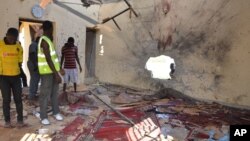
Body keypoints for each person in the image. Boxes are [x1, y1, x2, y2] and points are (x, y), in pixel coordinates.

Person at [38, 20, 63, 125]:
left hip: (53, 71)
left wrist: (59, 68)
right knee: (45, 95)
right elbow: (48, 59)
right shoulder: (44, 41)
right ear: (49, 29)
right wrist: (56, 74)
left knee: (54, 93)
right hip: (47, 73)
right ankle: (43, 116)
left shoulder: (49, 40)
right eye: (52, 28)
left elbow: (54, 58)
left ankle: (55, 112)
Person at [0, 28, 24, 128]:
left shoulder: (18, 47)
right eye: (10, 37)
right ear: (6, 35)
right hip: (3, 77)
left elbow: (20, 61)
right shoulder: (0, 45)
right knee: (6, 100)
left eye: (14, 38)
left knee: (18, 99)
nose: (12, 39)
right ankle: (7, 121)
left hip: (16, 77)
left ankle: (20, 120)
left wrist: (21, 74)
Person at [27, 36, 40, 100]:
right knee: (34, 79)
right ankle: (32, 95)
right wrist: (35, 65)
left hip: (34, 63)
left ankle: (33, 94)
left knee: (35, 79)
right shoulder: (34, 45)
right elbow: (32, 54)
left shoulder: (36, 45)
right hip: (33, 63)